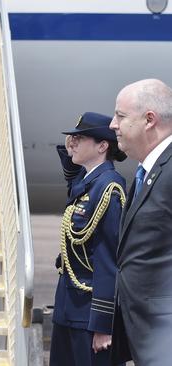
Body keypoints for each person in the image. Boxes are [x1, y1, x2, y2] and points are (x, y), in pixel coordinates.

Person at [49, 112, 127, 366]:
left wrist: (104, 324)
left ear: (102, 146)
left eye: (80, 138)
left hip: (89, 317)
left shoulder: (109, 188)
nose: (73, 142)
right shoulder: (88, 181)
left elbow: (108, 259)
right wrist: (70, 146)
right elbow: (72, 179)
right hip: (68, 309)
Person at [109, 79, 172, 365]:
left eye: (120, 116)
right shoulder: (146, 171)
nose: (112, 124)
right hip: (145, 333)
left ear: (149, 120)